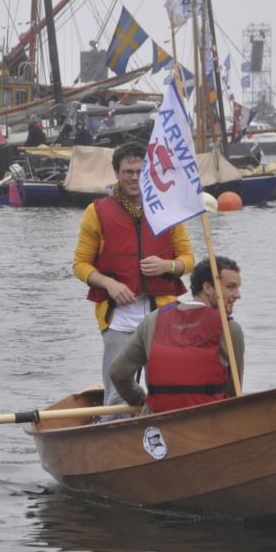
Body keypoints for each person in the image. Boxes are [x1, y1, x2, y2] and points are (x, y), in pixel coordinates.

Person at [72, 141, 195, 418]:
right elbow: (79, 265)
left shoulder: (169, 210)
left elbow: (188, 260)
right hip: (117, 317)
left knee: (163, 387)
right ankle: (112, 439)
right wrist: (110, 285)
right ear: (116, 173)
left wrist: (167, 265)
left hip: (161, 315)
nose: (134, 177)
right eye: (128, 171)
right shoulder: (97, 212)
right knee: (116, 393)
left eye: (140, 171)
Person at [109, 257, 244, 413]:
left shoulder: (152, 320)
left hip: (157, 422)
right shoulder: (229, 329)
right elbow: (234, 394)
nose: (238, 295)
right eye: (231, 287)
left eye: (237, 288)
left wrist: (139, 399)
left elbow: (118, 373)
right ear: (207, 287)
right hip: (208, 424)